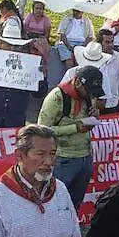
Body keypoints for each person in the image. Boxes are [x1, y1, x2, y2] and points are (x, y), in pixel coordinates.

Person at [37, 66, 104, 209]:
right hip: (63, 159)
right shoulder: (56, 97)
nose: (91, 96)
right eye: (89, 91)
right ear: (78, 82)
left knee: (74, 204)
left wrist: (94, 117)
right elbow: (42, 130)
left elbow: (88, 118)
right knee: (54, 202)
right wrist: (75, 128)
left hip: (85, 157)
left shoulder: (87, 97)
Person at [62, 35, 119, 113]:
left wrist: (92, 106)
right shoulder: (71, 72)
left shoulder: (103, 76)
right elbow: (61, 93)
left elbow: (102, 102)